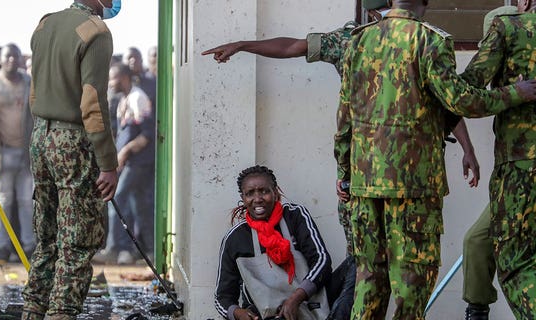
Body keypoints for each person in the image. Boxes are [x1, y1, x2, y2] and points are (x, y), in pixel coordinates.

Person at [202, 0, 481, 257]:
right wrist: (241, 45)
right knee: (384, 263)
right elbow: (293, 47)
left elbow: (443, 100)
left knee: (370, 265)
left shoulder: (369, 40)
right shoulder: (365, 39)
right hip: (393, 178)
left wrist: (468, 147)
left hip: (375, 176)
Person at [335, 0, 536, 319]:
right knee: (411, 284)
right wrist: (516, 93)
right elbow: (461, 100)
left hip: (364, 181)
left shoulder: (359, 39)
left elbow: (345, 115)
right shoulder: (429, 39)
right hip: (413, 185)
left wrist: (345, 172)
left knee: (369, 280)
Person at [21, 0, 120, 318]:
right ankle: (60, 313)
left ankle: (33, 310)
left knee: (48, 234)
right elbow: (93, 102)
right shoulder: (96, 32)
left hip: (41, 136)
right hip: (72, 141)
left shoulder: (45, 24)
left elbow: (35, 91)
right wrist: (107, 162)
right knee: (76, 240)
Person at [460, 0, 536, 318]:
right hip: (519, 177)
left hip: (523, 170)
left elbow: (464, 93)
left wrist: (511, 94)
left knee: (517, 264)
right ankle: (476, 311)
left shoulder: (508, 28)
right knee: (477, 240)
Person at [215, 165, 355, 320]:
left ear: (275, 192)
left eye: (264, 191)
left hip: (311, 302)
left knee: (357, 264)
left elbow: (322, 261)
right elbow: (222, 297)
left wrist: (296, 298)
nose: (257, 199)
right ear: (243, 198)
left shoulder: (294, 216)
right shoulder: (235, 238)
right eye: (250, 194)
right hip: (268, 314)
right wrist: (238, 313)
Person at [0, 43, 35, 263]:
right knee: (3, 202)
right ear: (1, 59)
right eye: (7, 56)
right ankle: (2, 247)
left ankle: (29, 246)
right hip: (1, 153)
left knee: (25, 201)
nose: (11, 60)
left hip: (24, 153)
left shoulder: (29, 83)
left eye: (15, 56)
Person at [102, 63, 155, 265]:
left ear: (124, 78)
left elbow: (147, 134)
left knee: (117, 198)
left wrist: (125, 151)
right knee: (139, 206)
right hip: (130, 162)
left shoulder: (138, 98)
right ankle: (147, 251)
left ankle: (117, 248)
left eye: (112, 78)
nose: (110, 83)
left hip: (138, 162)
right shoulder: (124, 99)